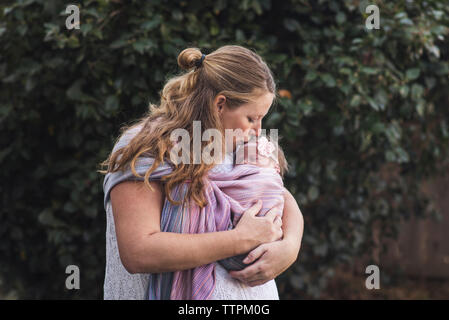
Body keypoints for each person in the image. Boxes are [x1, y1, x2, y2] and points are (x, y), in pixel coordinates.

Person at [100, 45, 304, 300]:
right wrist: (240, 238)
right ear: (220, 105)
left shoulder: (241, 145)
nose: (258, 129)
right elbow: (139, 251)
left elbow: (282, 197)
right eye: (252, 118)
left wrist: (290, 246)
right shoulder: (149, 148)